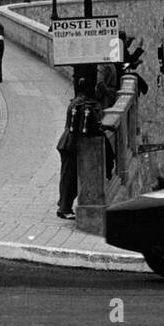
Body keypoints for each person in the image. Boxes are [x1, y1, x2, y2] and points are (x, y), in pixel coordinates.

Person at [57, 76, 102, 219]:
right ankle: (64, 208)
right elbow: (85, 127)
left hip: (66, 142)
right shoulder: (83, 104)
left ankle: (63, 204)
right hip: (71, 144)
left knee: (66, 175)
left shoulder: (76, 101)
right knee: (70, 177)